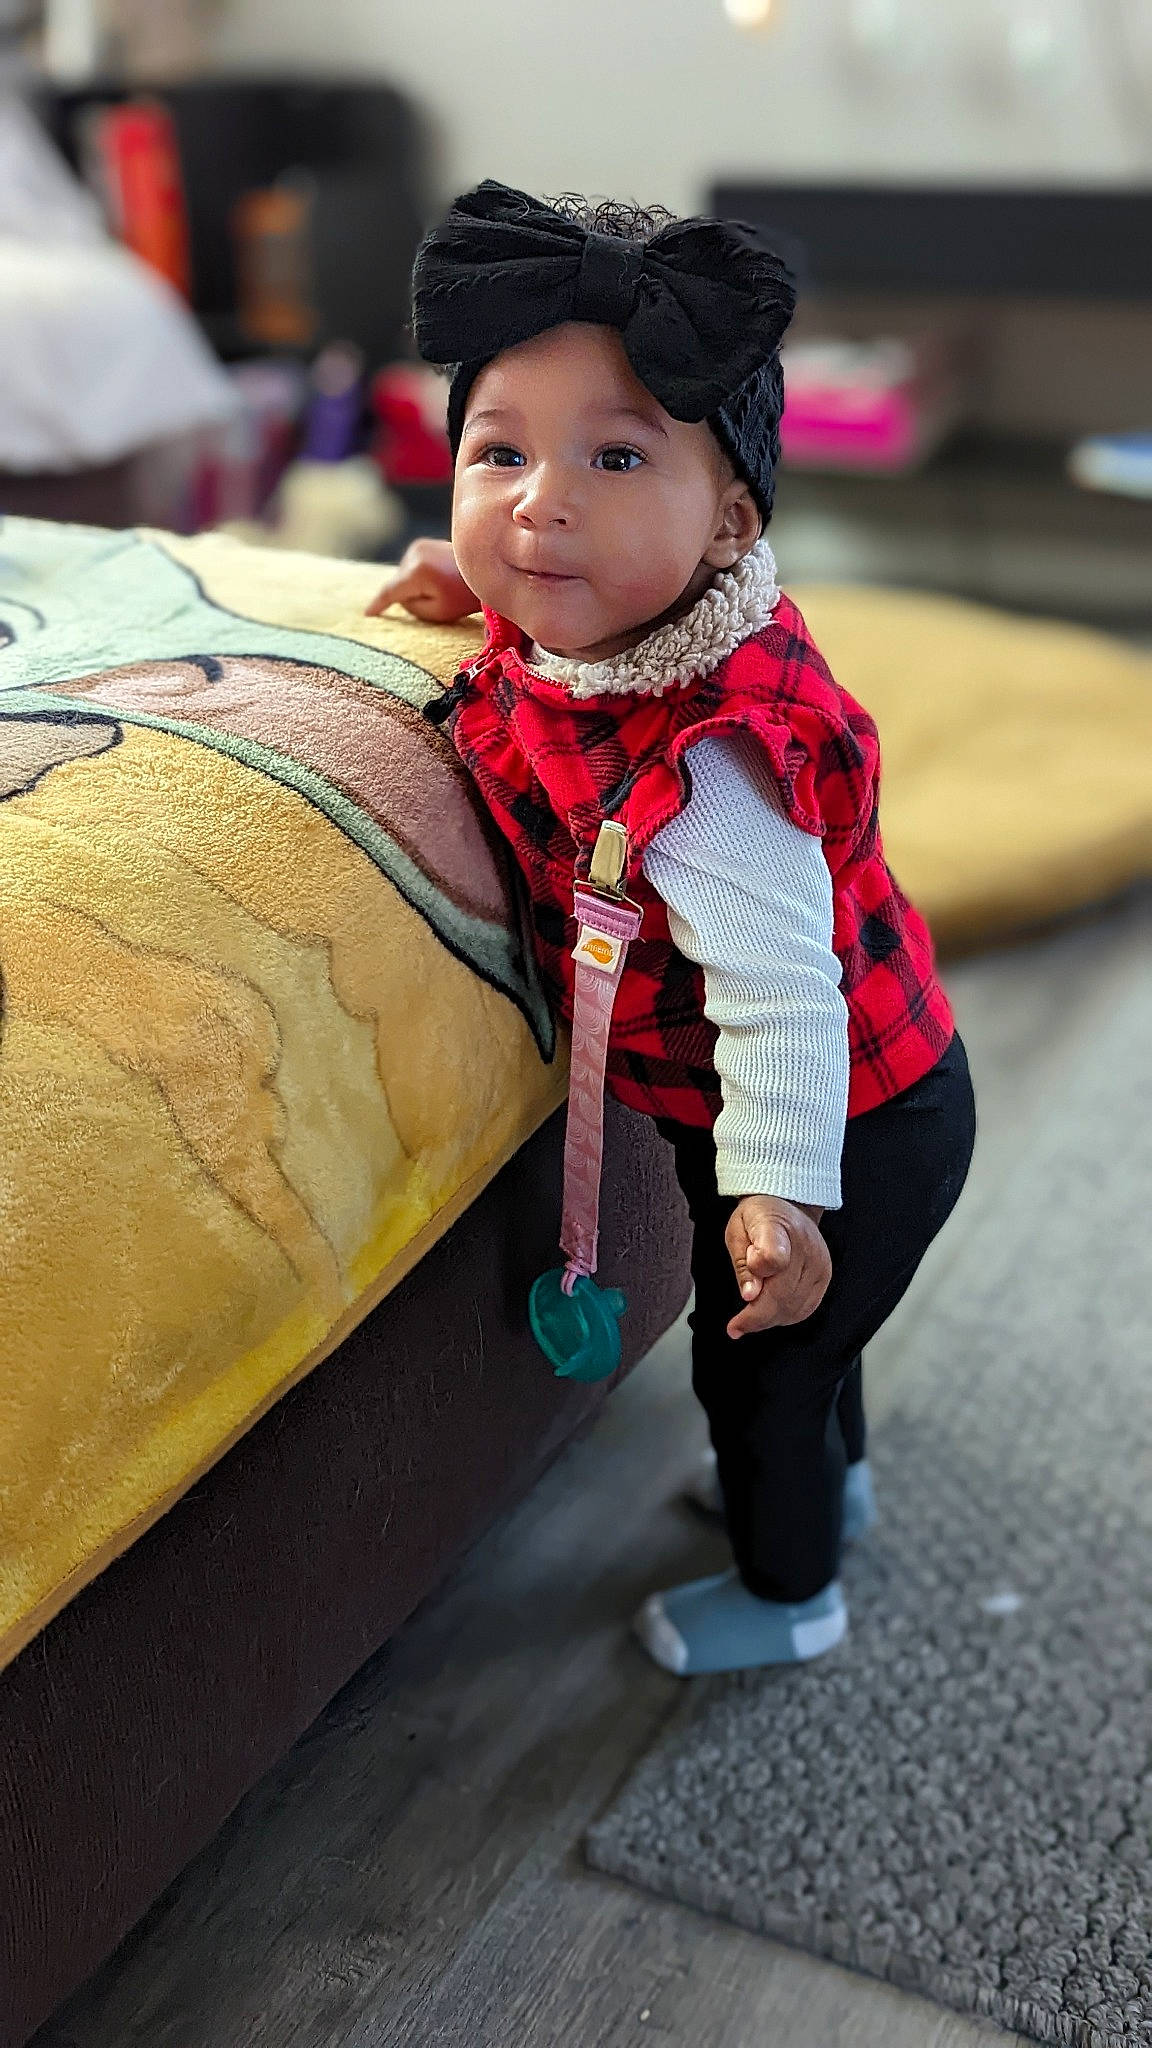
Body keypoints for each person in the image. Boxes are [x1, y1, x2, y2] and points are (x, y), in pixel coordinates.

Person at [367, 178, 977, 1677]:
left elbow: (781, 993)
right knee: (808, 1352)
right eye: (498, 453)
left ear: (731, 523)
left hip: (846, 1116)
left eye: (616, 456)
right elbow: (540, 571)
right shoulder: (615, 614)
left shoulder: (710, 770)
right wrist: (466, 580)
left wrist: (781, 1191)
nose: (539, 503)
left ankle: (789, 1593)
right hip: (813, 1102)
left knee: (755, 1367)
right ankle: (834, 1482)